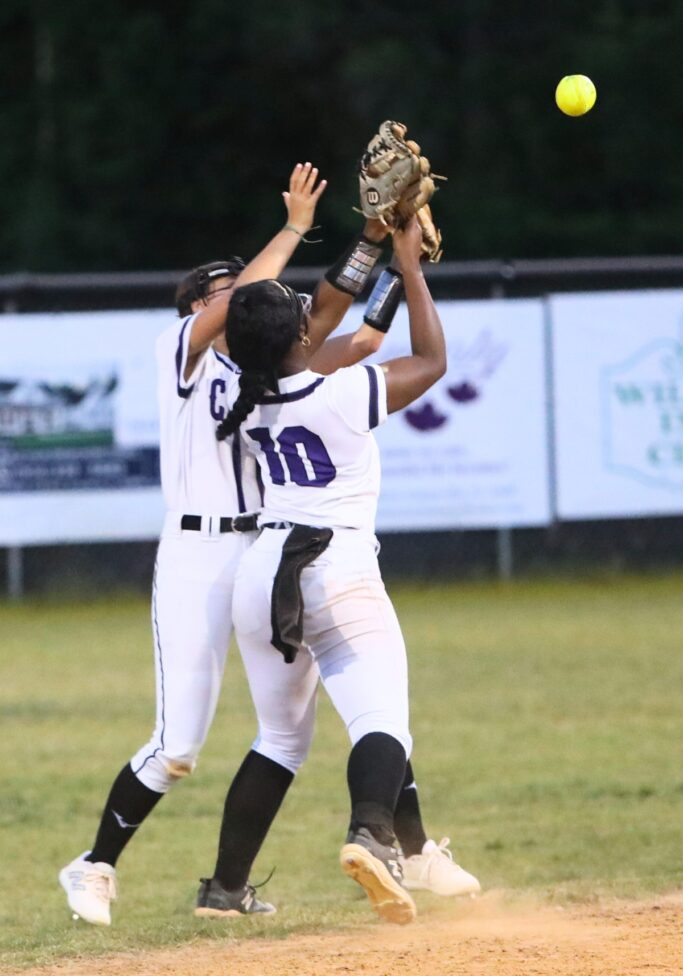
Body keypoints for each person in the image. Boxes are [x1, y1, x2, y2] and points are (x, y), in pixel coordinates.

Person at [58, 161, 472, 926]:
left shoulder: (264, 374)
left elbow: (326, 310)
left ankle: (394, 849)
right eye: (224, 290)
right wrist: (358, 249)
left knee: (308, 723)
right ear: (196, 311)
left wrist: (374, 240)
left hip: (263, 558)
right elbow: (335, 326)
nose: (240, 294)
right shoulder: (184, 355)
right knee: (187, 743)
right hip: (211, 558)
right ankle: (96, 864)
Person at [202, 216, 465, 924]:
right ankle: (373, 837)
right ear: (299, 339)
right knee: (382, 718)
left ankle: (224, 890)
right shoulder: (338, 392)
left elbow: (315, 319)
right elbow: (431, 362)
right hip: (334, 564)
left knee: (279, 739)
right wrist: (409, 269)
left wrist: (377, 241)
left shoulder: (230, 389)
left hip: (262, 574)